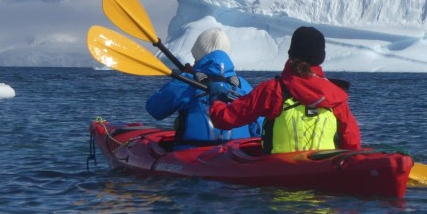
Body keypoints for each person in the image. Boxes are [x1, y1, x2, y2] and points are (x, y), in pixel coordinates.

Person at [208, 26, 361, 153]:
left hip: (278, 179)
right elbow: (352, 141)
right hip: (323, 172)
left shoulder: (273, 90)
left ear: (291, 53)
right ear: (321, 57)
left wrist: (217, 101)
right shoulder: (335, 96)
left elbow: (224, 119)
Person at [146, 28, 261, 149]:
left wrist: (181, 78)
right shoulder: (243, 86)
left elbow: (154, 109)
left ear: (197, 54)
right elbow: (258, 129)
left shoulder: (185, 82)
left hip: (190, 157)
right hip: (233, 157)